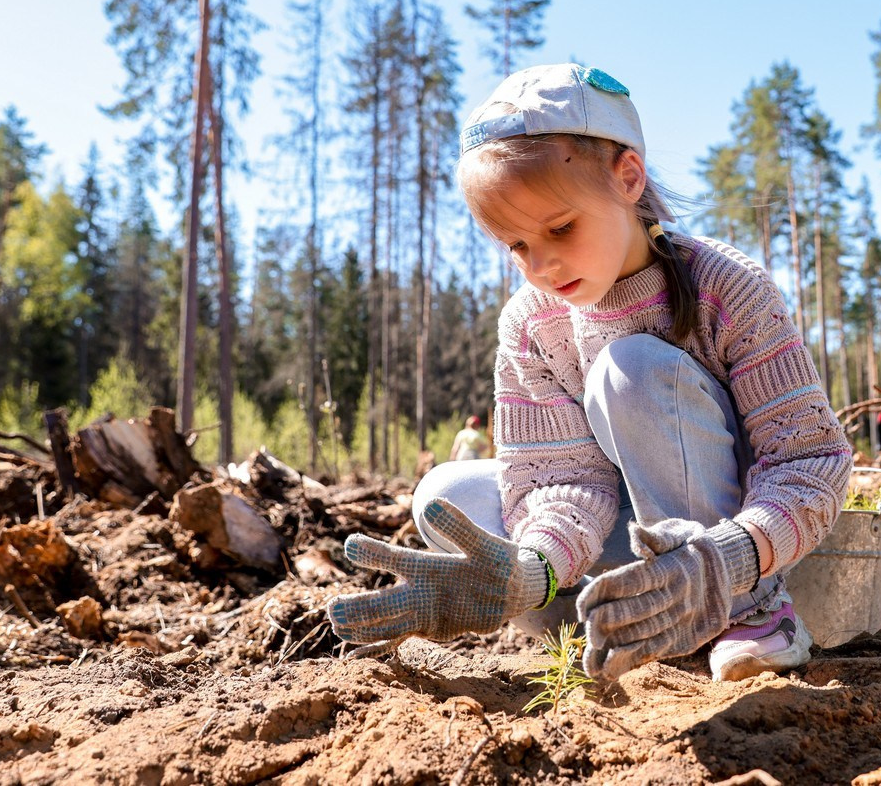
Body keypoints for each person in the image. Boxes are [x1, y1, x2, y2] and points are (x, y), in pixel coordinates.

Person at [327, 63, 852, 683]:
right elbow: (559, 478)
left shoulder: (725, 287)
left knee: (628, 370)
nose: (541, 264)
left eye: (560, 228)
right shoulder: (530, 324)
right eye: (517, 246)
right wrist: (532, 567)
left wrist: (731, 558)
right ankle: (622, 616)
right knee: (445, 495)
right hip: (623, 538)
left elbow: (807, 461)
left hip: (740, 550)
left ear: (628, 177)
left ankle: (750, 618)